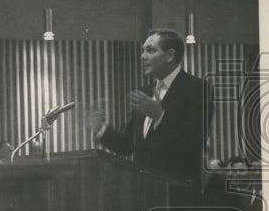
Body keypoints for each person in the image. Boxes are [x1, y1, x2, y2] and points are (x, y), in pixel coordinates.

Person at [86, 28, 213, 185]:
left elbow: (194, 142)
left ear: (170, 55)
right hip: (144, 192)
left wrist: (160, 116)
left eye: (150, 50)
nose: (142, 56)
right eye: (143, 51)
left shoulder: (197, 88)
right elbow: (127, 146)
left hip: (179, 195)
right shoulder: (145, 93)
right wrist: (102, 130)